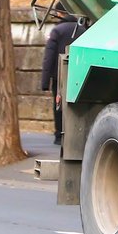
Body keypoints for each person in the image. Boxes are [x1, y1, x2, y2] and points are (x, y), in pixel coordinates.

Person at [42, 16, 87, 145]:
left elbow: (49, 57)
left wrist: (45, 82)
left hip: (59, 76)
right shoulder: (83, 30)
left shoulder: (57, 30)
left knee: (58, 105)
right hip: (79, 74)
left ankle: (59, 135)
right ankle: (76, 135)